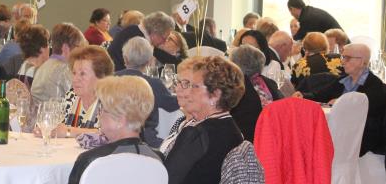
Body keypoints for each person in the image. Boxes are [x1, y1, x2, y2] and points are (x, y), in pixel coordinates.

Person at [295, 43, 386, 183]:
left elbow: (372, 123)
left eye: (347, 58)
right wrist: (303, 96)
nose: (342, 61)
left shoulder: (379, 91)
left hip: (364, 141)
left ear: (361, 61)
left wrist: (343, 103)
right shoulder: (343, 81)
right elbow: (319, 95)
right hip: (338, 135)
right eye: (343, 57)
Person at [161, 56, 245, 184]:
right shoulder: (234, 130)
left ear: (215, 95)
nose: (188, 92)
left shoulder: (196, 133)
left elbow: (166, 179)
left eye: (194, 86)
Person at [67, 75, 162, 184]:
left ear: (120, 121)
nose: (99, 114)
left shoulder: (90, 161)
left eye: (103, 109)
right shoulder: (157, 159)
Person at [116, 37, 179, 147]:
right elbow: (174, 105)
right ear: (150, 61)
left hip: (113, 137)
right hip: (146, 142)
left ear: (125, 59)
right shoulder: (154, 84)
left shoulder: (110, 80)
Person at [49, 45, 114, 137]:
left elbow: (109, 135)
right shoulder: (71, 96)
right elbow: (57, 127)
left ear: (101, 76)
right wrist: (48, 129)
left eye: (82, 74)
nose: (75, 79)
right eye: (74, 73)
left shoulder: (110, 101)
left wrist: (68, 132)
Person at [229, 45, 283, 141]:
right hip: (276, 137)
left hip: (249, 141)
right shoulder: (269, 83)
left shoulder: (236, 86)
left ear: (235, 64)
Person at [31, 22, 86, 104]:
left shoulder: (44, 66)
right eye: (78, 47)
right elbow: (78, 99)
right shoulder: (63, 69)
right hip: (56, 115)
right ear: (65, 48)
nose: (81, 52)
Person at [108, 11, 177, 71]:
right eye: (164, 38)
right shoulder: (136, 39)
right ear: (155, 32)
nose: (164, 42)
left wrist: (180, 63)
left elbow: (159, 54)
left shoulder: (136, 32)